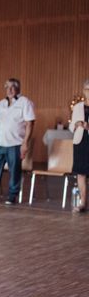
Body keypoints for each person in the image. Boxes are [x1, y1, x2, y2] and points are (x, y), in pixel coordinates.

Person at [0, 78, 35, 205]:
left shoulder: (25, 102)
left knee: (14, 170)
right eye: (7, 87)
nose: (9, 90)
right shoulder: (0, 104)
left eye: (12, 87)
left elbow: (30, 124)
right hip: (0, 144)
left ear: (18, 88)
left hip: (15, 144)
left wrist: (25, 143)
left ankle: (12, 195)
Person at [70, 79, 89, 213]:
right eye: (87, 89)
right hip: (80, 142)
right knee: (81, 174)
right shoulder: (77, 107)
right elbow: (71, 127)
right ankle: (83, 203)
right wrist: (76, 125)